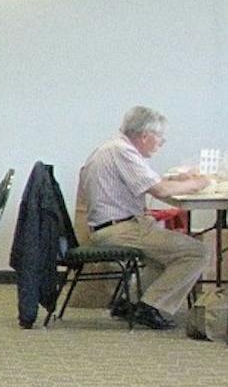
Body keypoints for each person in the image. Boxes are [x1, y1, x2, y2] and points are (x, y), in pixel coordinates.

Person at [76, 106, 210, 329]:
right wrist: (199, 183)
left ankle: (134, 302)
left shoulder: (114, 147)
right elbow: (160, 191)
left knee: (169, 253)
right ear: (145, 135)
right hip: (119, 230)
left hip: (112, 226)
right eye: (161, 138)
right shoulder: (122, 151)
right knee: (197, 252)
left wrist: (180, 178)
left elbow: (152, 181)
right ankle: (150, 306)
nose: (161, 143)